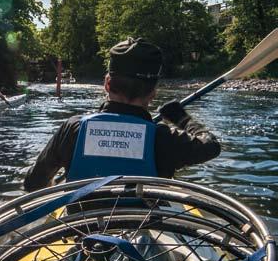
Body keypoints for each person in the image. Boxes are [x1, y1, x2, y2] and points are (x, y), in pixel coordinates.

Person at [24, 37, 221, 191]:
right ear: (153, 93)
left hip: (83, 231)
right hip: (144, 234)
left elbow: (33, 184)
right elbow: (211, 146)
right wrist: (182, 118)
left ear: (107, 84)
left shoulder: (73, 128)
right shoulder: (163, 138)